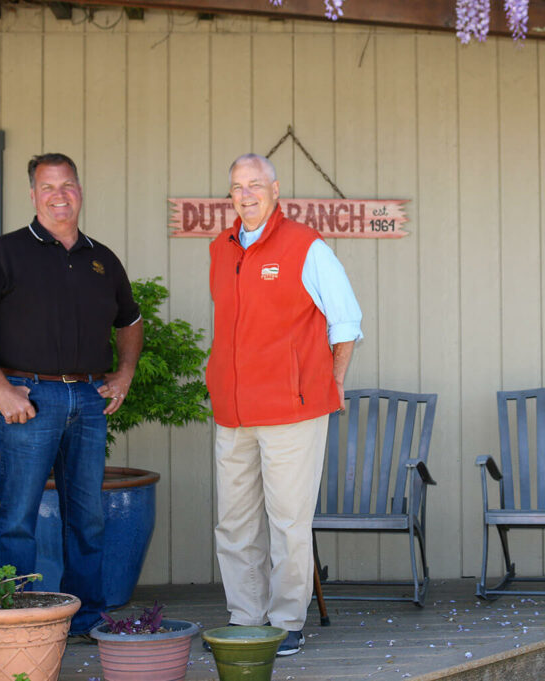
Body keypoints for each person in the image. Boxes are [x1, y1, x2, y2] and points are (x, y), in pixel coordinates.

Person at [0, 153, 143, 637]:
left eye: (68, 185)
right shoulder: (8, 252)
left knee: (88, 518)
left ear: (80, 190)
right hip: (28, 401)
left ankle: (87, 619)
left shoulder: (102, 259)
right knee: (18, 517)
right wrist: (0, 389)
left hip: (87, 399)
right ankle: (14, 621)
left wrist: (123, 373)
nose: (60, 195)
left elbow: (131, 322)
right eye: (48, 186)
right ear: (34, 195)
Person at [207, 153, 362, 656]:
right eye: (237, 186)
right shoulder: (220, 249)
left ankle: (286, 622)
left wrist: (332, 383)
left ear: (276, 190)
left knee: (288, 521)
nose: (246, 194)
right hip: (233, 413)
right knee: (234, 522)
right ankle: (246, 619)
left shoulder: (305, 246)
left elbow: (346, 321)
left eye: (255, 184)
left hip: (292, 410)